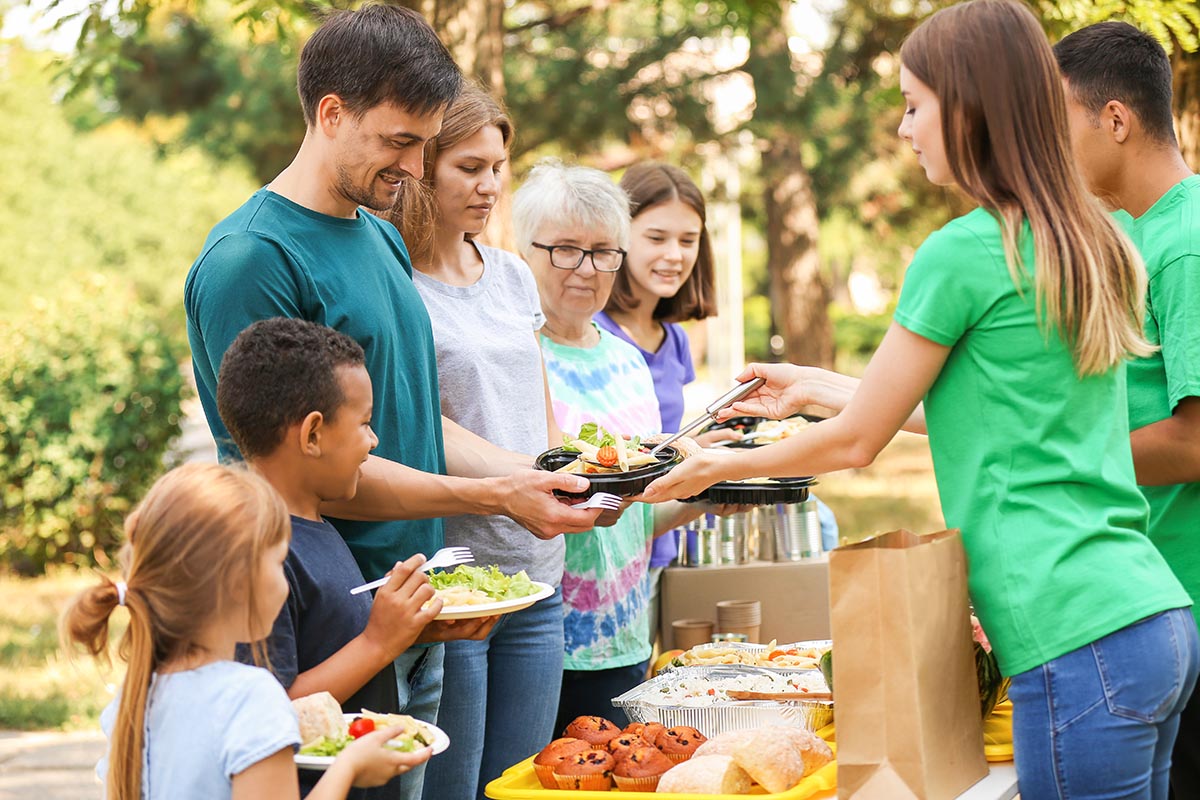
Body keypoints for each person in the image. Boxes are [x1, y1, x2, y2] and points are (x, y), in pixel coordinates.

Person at [642, 1, 1197, 796]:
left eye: (913, 105)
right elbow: (999, 416)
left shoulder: (965, 250)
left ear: (967, 108)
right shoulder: (1092, 240)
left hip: (1079, 635)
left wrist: (714, 461)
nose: (904, 130)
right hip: (1150, 616)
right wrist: (819, 391)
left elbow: (855, 444)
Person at [183, 9, 601, 798]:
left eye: (422, 143)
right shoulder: (252, 260)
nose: (414, 167)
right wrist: (494, 497)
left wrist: (531, 477)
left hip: (415, 603)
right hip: (318, 626)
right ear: (331, 113)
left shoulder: (375, 236)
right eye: (399, 141)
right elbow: (312, 471)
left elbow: (405, 423)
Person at [376, 84, 566, 800]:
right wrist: (526, 481)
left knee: (525, 785)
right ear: (423, 166)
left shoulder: (513, 274)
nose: (490, 186)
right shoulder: (397, 285)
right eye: (470, 167)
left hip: (538, 573)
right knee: (451, 790)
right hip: (456, 585)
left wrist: (579, 478)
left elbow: (539, 410)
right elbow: (418, 422)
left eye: (499, 167)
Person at [61, 463, 428, 800]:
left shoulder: (136, 695)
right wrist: (349, 766)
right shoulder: (252, 699)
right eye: (278, 561)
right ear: (240, 583)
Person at [512, 160, 725, 733]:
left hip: (626, 630)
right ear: (524, 251)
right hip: (536, 635)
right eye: (564, 249)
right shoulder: (515, 355)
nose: (586, 269)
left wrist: (712, 491)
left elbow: (638, 513)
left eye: (604, 251)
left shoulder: (629, 360)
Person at [218, 318, 460, 798]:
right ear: (312, 434)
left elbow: (326, 641)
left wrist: (408, 624)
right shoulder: (257, 551)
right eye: (365, 423)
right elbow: (269, 707)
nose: (373, 442)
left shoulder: (315, 526)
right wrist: (379, 641)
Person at [597, 163, 839, 634]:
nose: (674, 255)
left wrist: (708, 445)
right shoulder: (595, 335)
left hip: (660, 544)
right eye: (657, 237)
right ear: (617, 237)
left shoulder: (675, 340)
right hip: (606, 554)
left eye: (688, 241)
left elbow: (663, 448)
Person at [1054, 23, 1200, 797]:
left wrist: (1061, 460)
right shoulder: (1134, 237)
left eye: (1058, 125)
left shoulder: (1187, 244)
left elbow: (1196, 442)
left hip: (1187, 595)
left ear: (1115, 119)